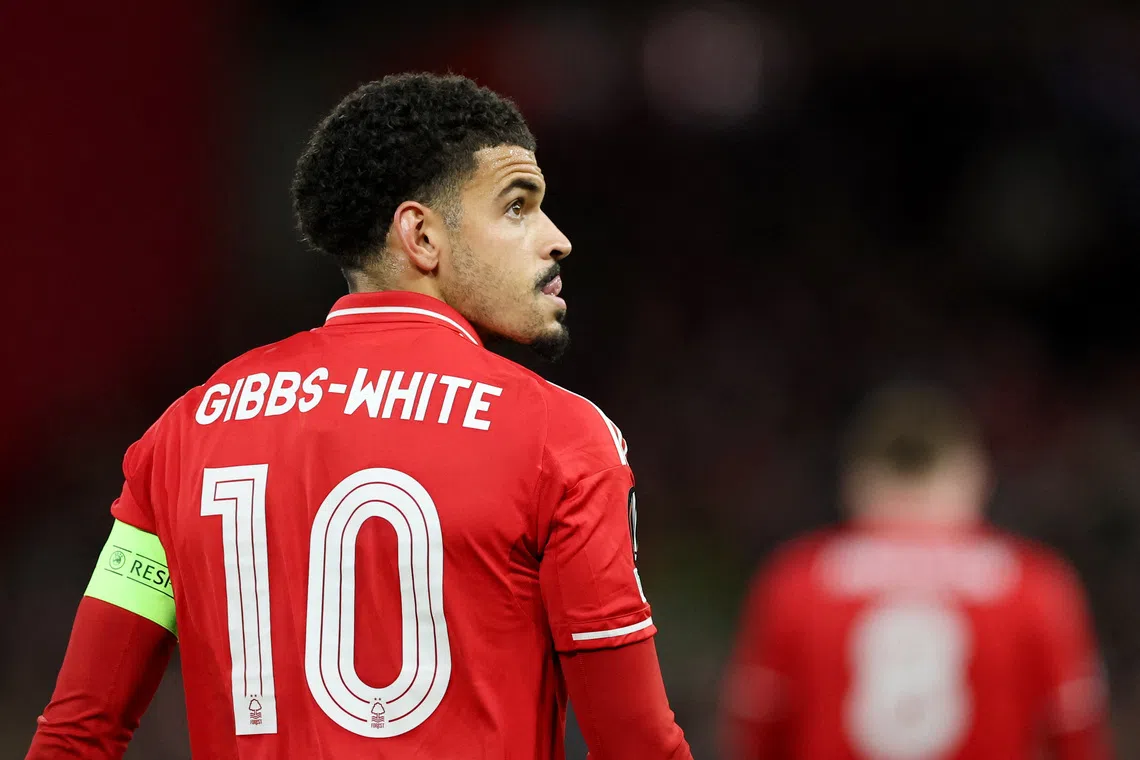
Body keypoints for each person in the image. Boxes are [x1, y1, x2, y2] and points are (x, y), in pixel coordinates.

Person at [28, 73, 692, 760]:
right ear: (422, 236)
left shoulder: (181, 434)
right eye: (518, 207)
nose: (557, 240)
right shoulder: (562, 438)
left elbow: (76, 734)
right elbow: (634, 742)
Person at [720, 385, 1114, 760]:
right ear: (971, 475)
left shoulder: (795, 582)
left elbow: (754, 743)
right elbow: (1078, 741)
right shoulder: (1034, 584)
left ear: (857, 482)